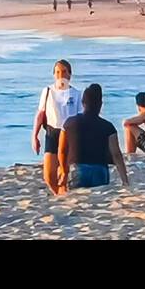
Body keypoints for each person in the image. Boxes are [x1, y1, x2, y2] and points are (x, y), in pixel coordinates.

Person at [58, 84, 129, 192]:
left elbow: (62, 151)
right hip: (99, 169)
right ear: (100, 104)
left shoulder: (69, 123)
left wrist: (64, 171)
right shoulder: (108, 126)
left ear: (83, 103)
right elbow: (116, 154)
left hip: (77, 168)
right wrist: (124, 180)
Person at [32, 59, 84, 195]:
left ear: (69, 74)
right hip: (52, 133)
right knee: (49, 176)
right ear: (54, 74)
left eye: (64, 72)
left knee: (64, 172)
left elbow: (80, 116)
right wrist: (35, 136)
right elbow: (40, 114)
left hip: (69, 134)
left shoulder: (76, 93)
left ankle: (63, 195)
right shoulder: (48, 91)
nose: (60, 75)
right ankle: (57, 194)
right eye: (57, 72)